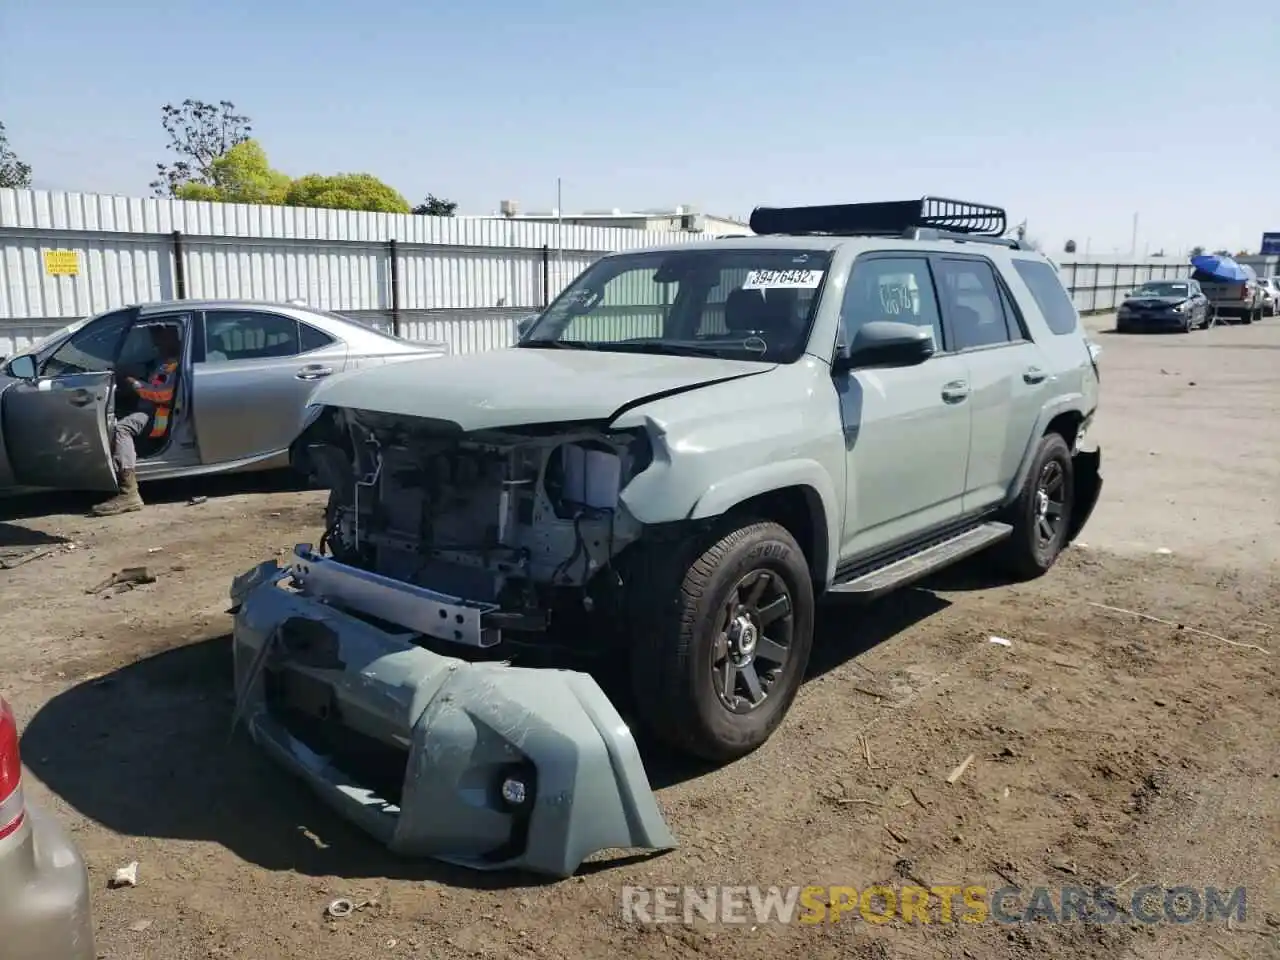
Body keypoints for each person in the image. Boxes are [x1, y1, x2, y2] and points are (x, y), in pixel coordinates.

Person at [91, 326, 181, 516]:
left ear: (172, 337)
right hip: (149, 409)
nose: (156, 342)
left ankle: (129, 493)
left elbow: (162, 395)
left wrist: (135, 384)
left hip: (159, 416)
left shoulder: (174, 365)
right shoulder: (163, 363)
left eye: (159, 337)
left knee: (122, 428)